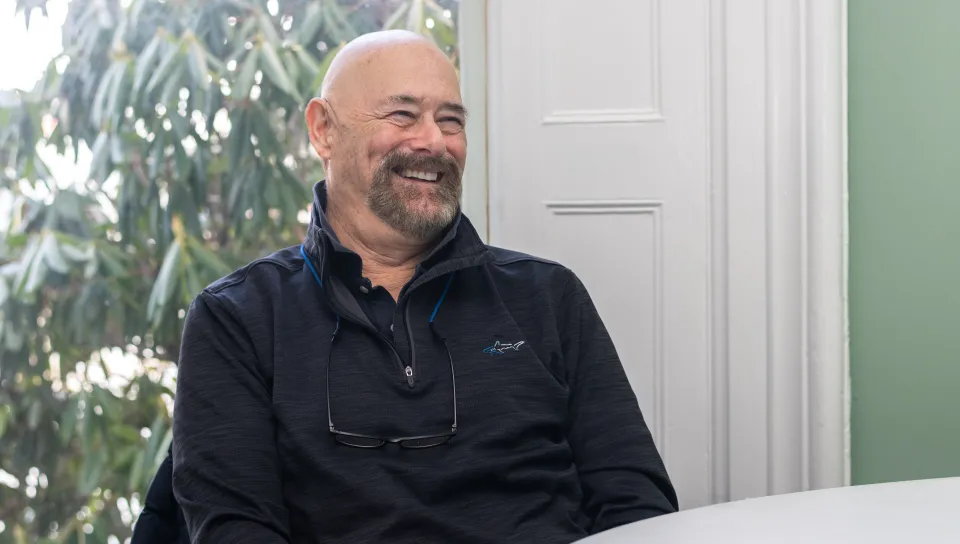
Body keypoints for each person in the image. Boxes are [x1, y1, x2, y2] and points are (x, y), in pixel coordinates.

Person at [142, 29, 678, 543]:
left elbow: (637, 507)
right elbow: (235, 528)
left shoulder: (548, 297)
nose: (433, 142)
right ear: (323, 130)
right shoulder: (237, 318)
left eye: (451, 121)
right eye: (402, 114)